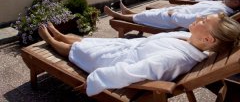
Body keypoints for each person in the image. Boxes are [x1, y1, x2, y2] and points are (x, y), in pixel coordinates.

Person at [38, 14, 240, 96]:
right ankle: (61, 34)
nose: (199, 18)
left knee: (79, 50)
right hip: (130, 47)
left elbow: (132, 72)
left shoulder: (175, 59)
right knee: (91, 41)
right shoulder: (189, 40)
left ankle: (52, 41)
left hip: (117, 60)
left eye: (204, 21)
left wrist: (96, 80)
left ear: (208, 40)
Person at [104, 0, 240, 29]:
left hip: (176, 21)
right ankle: (129, 12)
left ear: (236, 2)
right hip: (181, 11)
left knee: (146, 17)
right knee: (150, 13)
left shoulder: (220, 12)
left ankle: (120, 16)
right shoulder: (221, 5)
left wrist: (174, 14)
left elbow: (195, 20)